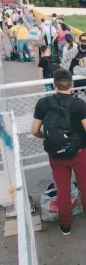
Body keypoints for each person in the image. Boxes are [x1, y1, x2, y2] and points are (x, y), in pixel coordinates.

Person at [32, 68, 86, 235]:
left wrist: (47, 138)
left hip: (56, 154)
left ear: (54, 84)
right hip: (80, 152)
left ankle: (65, 225)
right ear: (72, 84)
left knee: (62, 189)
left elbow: (35, 130)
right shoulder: (79, 103)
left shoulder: (43, 103)